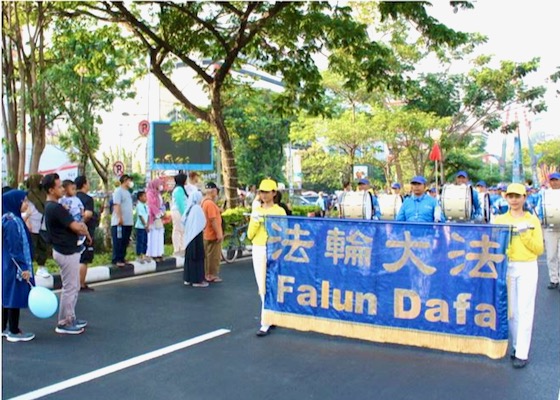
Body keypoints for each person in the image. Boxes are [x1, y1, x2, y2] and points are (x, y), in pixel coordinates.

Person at [493, 183, 544, 368]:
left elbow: (539, 248)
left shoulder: (532, 220)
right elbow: (491, 243)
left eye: (518, 196)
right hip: (506, 267)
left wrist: (525, 235)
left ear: (524, 197)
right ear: (505, 197)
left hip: (527, 266)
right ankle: (516, 346)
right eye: (510, 196)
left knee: (525, 309)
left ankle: (522, 352)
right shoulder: (499, 220)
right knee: (512, 311)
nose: (514, 200)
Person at [43, 173, 91, 335]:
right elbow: (76, 226)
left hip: (65, 249)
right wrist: (82, 227)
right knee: (70, 287)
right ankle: (64, 322)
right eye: (59, 187)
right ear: (51, 190)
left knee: (74, 285)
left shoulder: (53, 206)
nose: (62, 189)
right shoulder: (55, 208)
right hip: (66, 250)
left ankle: (71, 317)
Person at [247, 178, 287, 337]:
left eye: (267, 191)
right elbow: (250, 235)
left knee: (273, 283)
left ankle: (270, 316)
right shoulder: (256, 210)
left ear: (274, 193)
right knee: (262, 283)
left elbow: (284, 232)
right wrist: (256, 221)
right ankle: (266, 321)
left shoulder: (279, 211)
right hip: (259, 248)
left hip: (275, 249)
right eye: (261, 192)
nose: (263, 195)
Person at [2, 190, 35, 342]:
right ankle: (13, 331)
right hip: (14, 265)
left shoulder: (9, 218)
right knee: (14, 296)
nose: (26, 204)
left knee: (6, 295)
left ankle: (3, 328)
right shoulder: (12, 222)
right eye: (24, 201)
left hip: (8, 264)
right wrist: (24, 268)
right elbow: (15, 248)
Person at [24, 174, 51, 279]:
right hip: (32, 224)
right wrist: (28, 222)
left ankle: (41, 267)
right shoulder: (28, 194)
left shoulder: (44, 193)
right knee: (32, 247)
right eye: (40, 180)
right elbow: (27, 209)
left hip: (43, 223)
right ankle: (28, 268)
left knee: (43, 246)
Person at [75, 176, 98, 292]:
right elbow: (88, 214)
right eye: (88, 182)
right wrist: (80, 225)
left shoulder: (72, 198)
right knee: (84, 259)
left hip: (71, 232)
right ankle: (81, 284)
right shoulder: (88, 199)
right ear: (84, 184)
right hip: (85, 232)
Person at [538, 172, 560, 290]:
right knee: (551, 255)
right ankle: (553, 279)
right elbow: (539, 207)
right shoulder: (544, 194)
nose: (554, 182)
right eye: (552, 180)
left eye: (556, 180)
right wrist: (541, 220)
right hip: (549, 228)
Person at [183, 190, 208, 287]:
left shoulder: (189, 208)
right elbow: (203, 222)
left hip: (189, 237)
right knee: (197, 257)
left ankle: (188, 278)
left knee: (190, 257)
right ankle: (197, 280)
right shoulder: (197, 208)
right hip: (197, 236)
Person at [201, 182, 224, 283]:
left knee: (208, 255)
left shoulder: (204, 202)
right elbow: (213, 219)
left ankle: (207, 273)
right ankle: (211, 274)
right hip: (212, 233)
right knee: (213, 256)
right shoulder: (210, 204)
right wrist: (219, 233)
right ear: (213, 191)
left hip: (206, 232)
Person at [111, 174, 134, 267]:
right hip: (119, 222)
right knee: (118, 241)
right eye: (129, 180)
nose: (130, 183)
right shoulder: (118, 191)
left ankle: (122, 257)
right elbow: (117, 205)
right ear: (125, 180)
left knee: (125, 240)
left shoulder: (128, 192)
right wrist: (119, 217)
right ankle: (117, 259)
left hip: (128, 221)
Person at [60, 179, 86, 246]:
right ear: (65, 190)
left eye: (75, 189)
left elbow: (81, 207)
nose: (74, 191)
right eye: (72, 189)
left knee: (79, 226)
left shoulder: (76, 199)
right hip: (68, 216)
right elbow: (60, 207)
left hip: (77, 215)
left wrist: (82, 214)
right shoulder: (62, 199)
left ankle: (81, 238)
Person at [146, 178, 166, 263]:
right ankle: (153, 254)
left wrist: (162, 211)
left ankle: (159, 253)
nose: (160, 186)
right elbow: (151, 205)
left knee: (159, 235)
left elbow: (160, 204)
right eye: (159, 184)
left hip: (158, 217)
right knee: (153, 236)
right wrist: (157, 213)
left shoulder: (158, 194)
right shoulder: (149, 193)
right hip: (152, 218)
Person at [171, 173, 189, 257]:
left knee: (182, 230)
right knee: (177, 230)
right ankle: (177, 249)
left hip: (180, 212)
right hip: (178, 212)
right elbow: (180, 203)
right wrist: (184, 214)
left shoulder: (181, 189)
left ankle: (182, 248)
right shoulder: (178, 189)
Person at [135, 191, 149, 264]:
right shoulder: (139, 205)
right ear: (140, 198)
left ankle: (144, 254)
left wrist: (148, 224)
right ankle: (138, 255)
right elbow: (140, 216)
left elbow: (148, 215)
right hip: (140, 226)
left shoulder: (146, 205)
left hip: (146, 226)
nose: (146, 198)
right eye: (144, 196)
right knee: (140, 241)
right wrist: (145, 225)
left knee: (145, 241)